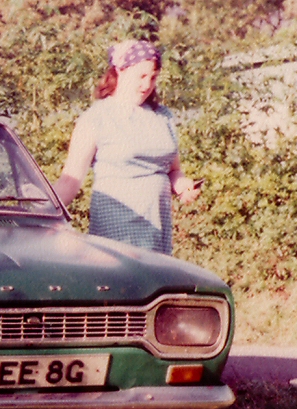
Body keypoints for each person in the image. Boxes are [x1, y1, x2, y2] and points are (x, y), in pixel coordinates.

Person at [53, 40, 201, 255]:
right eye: (140, 76)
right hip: (116, 231)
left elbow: (173, 170)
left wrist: (183, 186)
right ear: (120, 71)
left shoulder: (163, 117)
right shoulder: (96, 118)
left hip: (156, 230)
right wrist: (40, 215)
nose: (147, 85)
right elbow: (69, 180)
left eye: (153, 77)